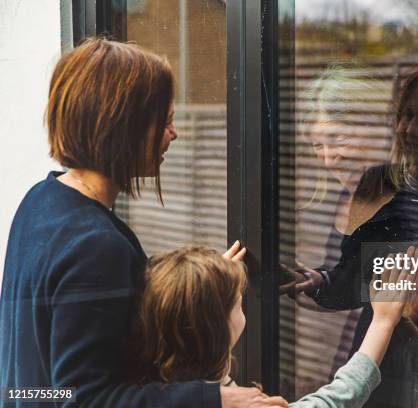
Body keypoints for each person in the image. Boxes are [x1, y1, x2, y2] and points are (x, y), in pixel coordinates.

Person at [0, 38, 277, 408]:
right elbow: (85, 400)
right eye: (165, 123)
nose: (172, 135)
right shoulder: (94, 247)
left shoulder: (41, 200)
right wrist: (215, 399)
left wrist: (206, 285)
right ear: (123, 127)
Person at [285, 58, 418, 407]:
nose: (410, 129)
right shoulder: (377, 184)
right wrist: (319, 281)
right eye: (407, 115)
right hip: (376, 369)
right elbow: (360, 282)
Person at [130, 245, 416, 408]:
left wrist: (205, 285)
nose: (242, 300)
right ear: (218, 328)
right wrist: (383, 320)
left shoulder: (156, 387)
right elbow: (338, 398)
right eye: (237, 302)